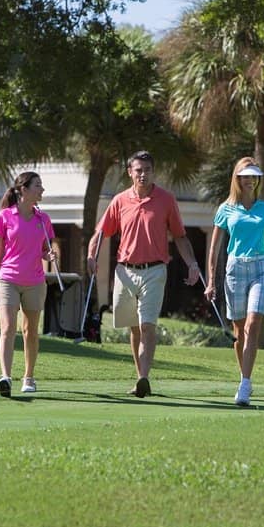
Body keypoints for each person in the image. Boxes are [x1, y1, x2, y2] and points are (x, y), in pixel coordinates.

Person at [87, 151, 201, 397]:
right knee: (133, 328)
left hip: (155, 270)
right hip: (125, 272)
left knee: (147, 326)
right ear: (130, 172)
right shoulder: (119, 200)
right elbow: (101, 232)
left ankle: (143, 377)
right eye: (138, 170)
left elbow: (180, 236)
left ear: (153, 172)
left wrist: (192, 263)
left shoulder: (166, 200)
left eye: (147, 170)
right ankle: (140, 379)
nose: (142, 174)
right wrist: (91, 255)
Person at [203, 157, 264, 407]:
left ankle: (244, 383)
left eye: (254, 176)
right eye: (245, 176)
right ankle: (245, 375)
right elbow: (214, 249)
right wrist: (211, 280)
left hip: (262, 267)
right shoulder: (225, 209)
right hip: (235, 268)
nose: (250, 180)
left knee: (254, 324)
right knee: (239, 331)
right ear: (237, 178)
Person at [0, 171, 57, 397]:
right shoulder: (5, 216)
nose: (42, 190)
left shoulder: (44, 219)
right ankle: (5, 376)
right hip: (8, 280)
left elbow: (44, 250)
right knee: (7, 328)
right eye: (38, 186)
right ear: (23, 189)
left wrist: (48, 256)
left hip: (34, 281)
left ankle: (29, 377)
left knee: (30, 331)